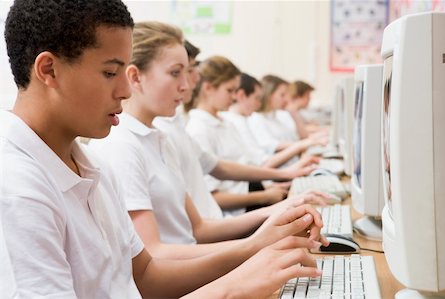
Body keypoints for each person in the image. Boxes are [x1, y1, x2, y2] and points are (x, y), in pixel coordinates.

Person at [0, 1, 327, 298]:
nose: (126, 90)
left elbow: (143, 274)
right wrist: (232, 288)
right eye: (110, 72)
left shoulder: (92, 164)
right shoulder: (17, 189)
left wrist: (255, 250)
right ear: (48, 70)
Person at [89, 21, 328, 258]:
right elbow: (154, 255)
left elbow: (198, 230)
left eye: (188, 72)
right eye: (175, 73)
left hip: (195, 262)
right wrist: (256, 243)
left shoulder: (160, 138)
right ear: (136, 77)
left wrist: (275, 211)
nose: (186, 85)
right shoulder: (123, 146)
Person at [154, 42, 328, 219]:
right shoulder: (197, 129)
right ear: (208, 89)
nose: (235, 97)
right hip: (236, 212)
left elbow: (233, 167)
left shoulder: (224, 123)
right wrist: (266, 195)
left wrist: (282, 177)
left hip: (250, 196)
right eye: (230, 90)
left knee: (306, 211)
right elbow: (214, 194)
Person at [248, 75, 328, 154]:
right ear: (269, 95)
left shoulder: (278, 116)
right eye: (282, 95)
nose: (286, 99)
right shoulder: (256, 119)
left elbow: (298, 137)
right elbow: (272, 146)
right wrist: (308, 143)